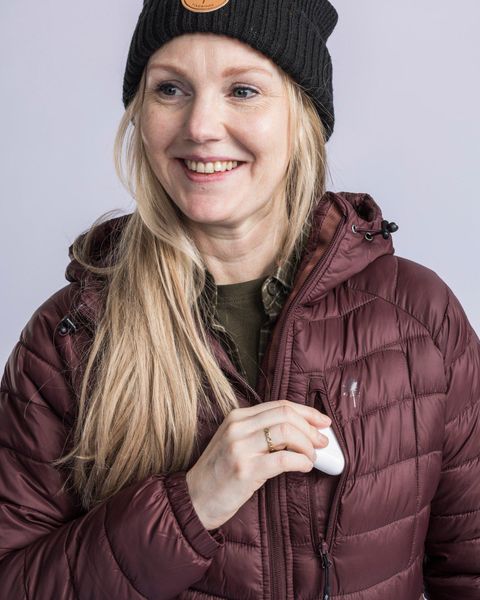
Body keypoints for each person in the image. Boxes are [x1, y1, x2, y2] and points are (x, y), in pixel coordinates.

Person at [1, 1, 479, 598]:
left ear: (301, 117)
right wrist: (187, 508)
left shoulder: (420, 318)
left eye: (243, 91)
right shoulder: (70, 338)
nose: (201, 126)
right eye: (170, 88)